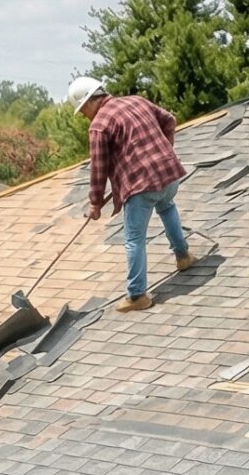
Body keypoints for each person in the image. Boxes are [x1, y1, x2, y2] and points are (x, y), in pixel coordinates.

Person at [72, 76, 195, 313]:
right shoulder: (137, 101)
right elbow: (169, 120)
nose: (84, 116)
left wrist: (95, 203)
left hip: (142, 186)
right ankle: (183, 256)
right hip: (169, 174)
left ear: (88, 102)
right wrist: (164, 150)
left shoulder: (99, 124)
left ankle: (137, 295)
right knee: (167, 206)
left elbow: (98, 167)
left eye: (82, 110)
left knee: (133, 239)